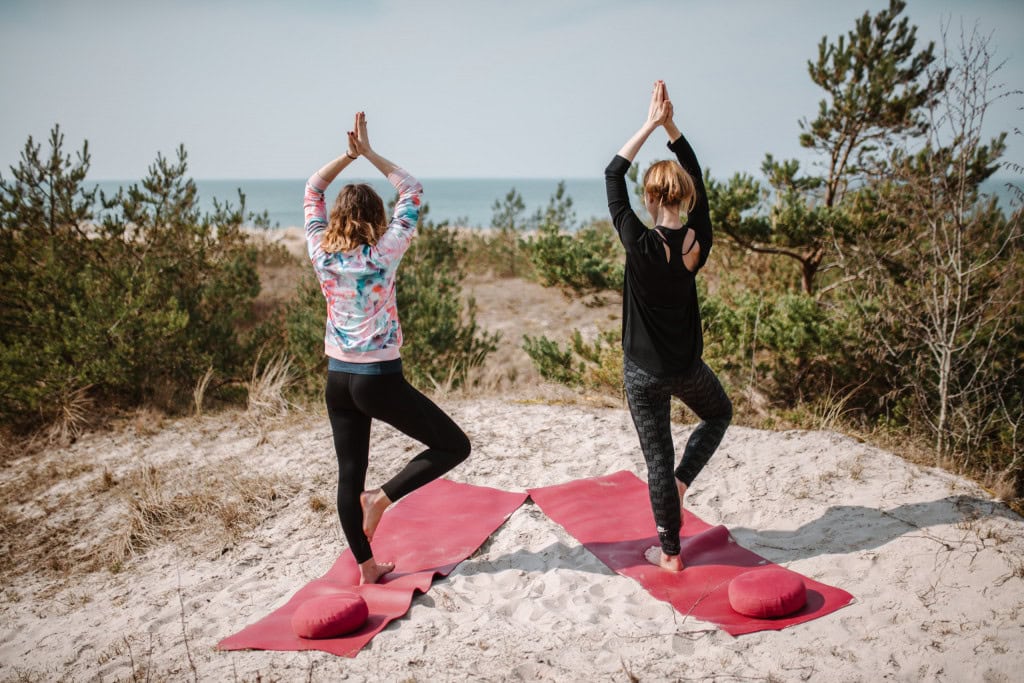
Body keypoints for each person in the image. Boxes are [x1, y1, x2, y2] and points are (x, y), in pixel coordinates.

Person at [304, 112, 471, 585]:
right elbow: (412, 189)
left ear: (337, 218)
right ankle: (381, 499)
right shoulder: (384, 252)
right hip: (379, 380)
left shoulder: (321, 252)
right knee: (454, 445)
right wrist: (371, 154)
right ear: (376, 219)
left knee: (348, 474)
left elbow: (312, 189)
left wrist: (347, 155)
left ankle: (366, 568)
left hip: (338, 379)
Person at [605, 81, 733, 572]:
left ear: (651, 196)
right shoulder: (699, 241)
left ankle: (671, 554)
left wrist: (649, 124)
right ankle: (681, 483)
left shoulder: (637, 242)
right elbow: (696, 174)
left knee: (657, 460)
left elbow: (613, 172)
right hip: (685, 366)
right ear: (684, 196)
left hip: (642, 372)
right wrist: (672, 126)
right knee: (718, 413)